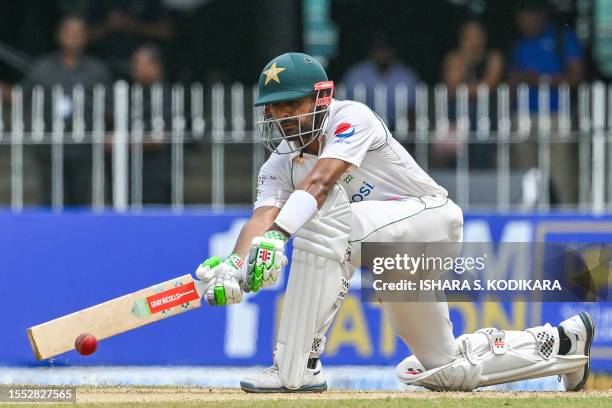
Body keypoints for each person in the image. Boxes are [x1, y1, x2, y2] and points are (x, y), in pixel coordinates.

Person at [195, 52, 593, 393]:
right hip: (384, 248)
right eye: (276, 109)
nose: (283, 118)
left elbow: (320, 183)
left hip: (429, 219)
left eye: (291, 106)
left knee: (322, 217)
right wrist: (236, 264)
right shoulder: (280, 162)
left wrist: (279, 237)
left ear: (321, 98)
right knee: (443, 368)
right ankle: (564, 343)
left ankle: (296, 368)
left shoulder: (352, 117)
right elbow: (262, 217)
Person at [21, 15, 112, 206]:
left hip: (85, 147)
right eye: (69, 32)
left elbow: (110, 107)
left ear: (86, 37)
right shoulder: (42, 67)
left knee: (83, 202)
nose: (73, 37)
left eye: (78, 33)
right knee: (53, 200)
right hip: (51, 146)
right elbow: (21, 97)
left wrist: (108, 133)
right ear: (59, 35)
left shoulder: (97, 69)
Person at [508, 0, 585, 206]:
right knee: (525, 173)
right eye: (520, 18)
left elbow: (576, 75)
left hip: (557, 115)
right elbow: (512, 79)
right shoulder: (519, 43)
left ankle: (566, 219)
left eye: (528, 16)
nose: (524, 22)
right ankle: (529, 218)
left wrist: (544, 80)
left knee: (561, 173)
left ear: (540, 15)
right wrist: (523, 78)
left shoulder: (562, 38)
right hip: (524, 117)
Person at [436, 19, 504, 169]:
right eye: (468, 35)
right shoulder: (454, 57)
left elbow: (488, 86)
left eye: (476, 35)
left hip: (485, 116)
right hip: (457, 117)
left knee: (482, 157)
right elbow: (452, 85)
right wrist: (465, 57)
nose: (473, 39)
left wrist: (464, 90)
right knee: (455, 162)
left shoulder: (493, 57)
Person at [342, 33, 419, 129]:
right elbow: (345, 106)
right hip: (363, 128)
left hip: (398, 129)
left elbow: (413, 110)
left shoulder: (406, 76)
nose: (382, 53)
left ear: (393, 51)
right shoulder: (356, 74)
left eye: (385, 49)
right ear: (371, 51)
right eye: (378, 48)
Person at [85, 0, 174, 78]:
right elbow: (83, 35)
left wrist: (132, 25)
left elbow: (165, 32)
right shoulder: (99, 2)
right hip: (103, 63)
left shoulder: (150, 2)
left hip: (141, 64)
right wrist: (108, 26)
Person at [129, 44, 171, 204]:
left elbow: (159, 139)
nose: (136, 68)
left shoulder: (165, 95)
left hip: (157, 172)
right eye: (135, 64)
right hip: (132, 171)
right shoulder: (132, 93)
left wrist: (124, 143)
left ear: (156, 67)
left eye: (141, 64)